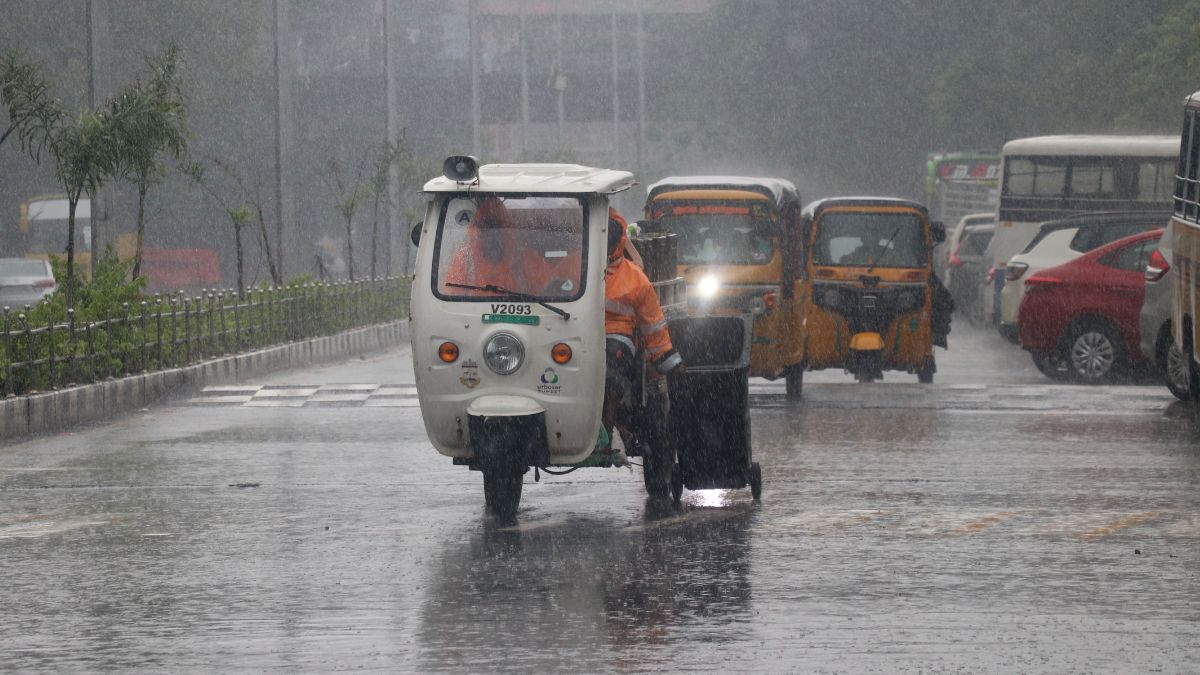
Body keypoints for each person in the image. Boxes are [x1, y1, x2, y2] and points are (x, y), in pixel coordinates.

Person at [603, 207, 684, 439]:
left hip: (616, 337)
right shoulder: (572, 268)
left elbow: (652, 322)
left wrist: (665, 359)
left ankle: (610, 424)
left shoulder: (635, 278)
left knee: (611, 372)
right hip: (572, 336)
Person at [442, 197, 524, 295]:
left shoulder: (523, 258)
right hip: (469, 310)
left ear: (506, 230)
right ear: (476, 231)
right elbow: (449, 299)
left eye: (496, 227)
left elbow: (546, 288)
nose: (491, 234)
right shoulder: (464, 259)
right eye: (485, 228)